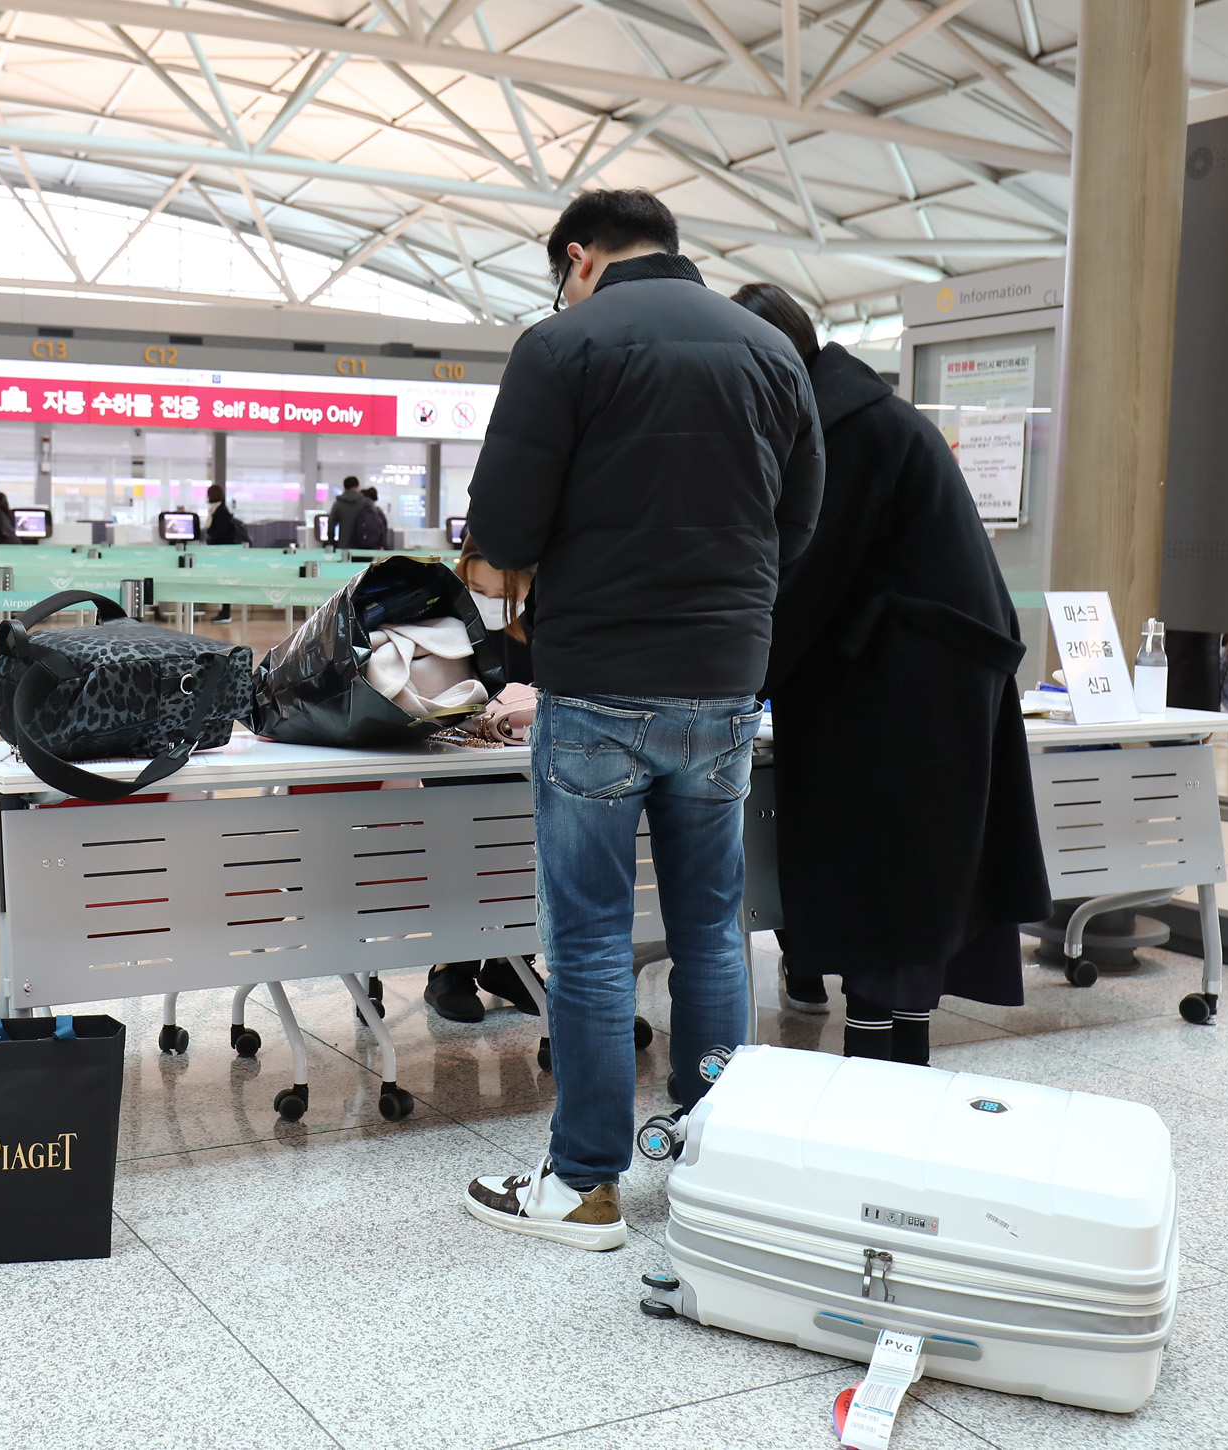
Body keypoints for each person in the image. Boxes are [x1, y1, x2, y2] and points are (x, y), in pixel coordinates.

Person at [459, 188, 823, 1250]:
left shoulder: (560, 345)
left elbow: (504, 531)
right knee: (713, 926)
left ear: (577, 257)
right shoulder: (767, 348)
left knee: (586, 936)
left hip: (598, 682)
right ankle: (712, 1165)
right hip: (720, 681)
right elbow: (795, 523)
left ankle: (582, 1186)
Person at [732, 282, 1050, 1063]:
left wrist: (728, 681)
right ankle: (897, 1062)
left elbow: (806, 579)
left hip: (902, 698)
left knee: (889, 888)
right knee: (912, 893)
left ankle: (880, 1076)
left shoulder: (845, 431)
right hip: (923, 683)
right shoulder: (857, 413)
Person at [424, 534, 544, 1022]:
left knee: (518, 851)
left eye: (499, 595)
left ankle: (509, 959)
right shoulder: (441, 627)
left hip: (517, 774)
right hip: (454, 771)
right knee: (457, 848)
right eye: (475, 588)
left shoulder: (542, 627)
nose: (487, 602)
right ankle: (451, 962)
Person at [204, 483, 248, 623]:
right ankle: (224, 612)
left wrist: (210, 539)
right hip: (225, 553)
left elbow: (218, 534)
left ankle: (225, 612)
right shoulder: (219, 510)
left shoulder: (220, 512)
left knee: (224, 581)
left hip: (224, 554)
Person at [327, 476, 370, 549]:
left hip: (343, 547)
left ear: (344, 488)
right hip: (364, 547)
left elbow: (331, 525)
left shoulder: (338, 504)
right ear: (357, 487)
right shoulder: (367, 503)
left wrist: (331, 543)